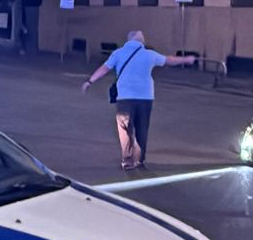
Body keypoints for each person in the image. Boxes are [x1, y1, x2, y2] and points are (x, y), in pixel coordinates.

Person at [78, 30, 200, 170]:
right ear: (141, 41)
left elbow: (104, 69)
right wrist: (187, 59)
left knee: (125, 128)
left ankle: (128, 160)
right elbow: (169, 60)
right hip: (145, 98)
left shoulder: (118, 53)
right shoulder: (149, 54)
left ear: (128, 40)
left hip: (125, 97)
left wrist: (89, 81)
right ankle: (140, 159)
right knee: (142, 128)